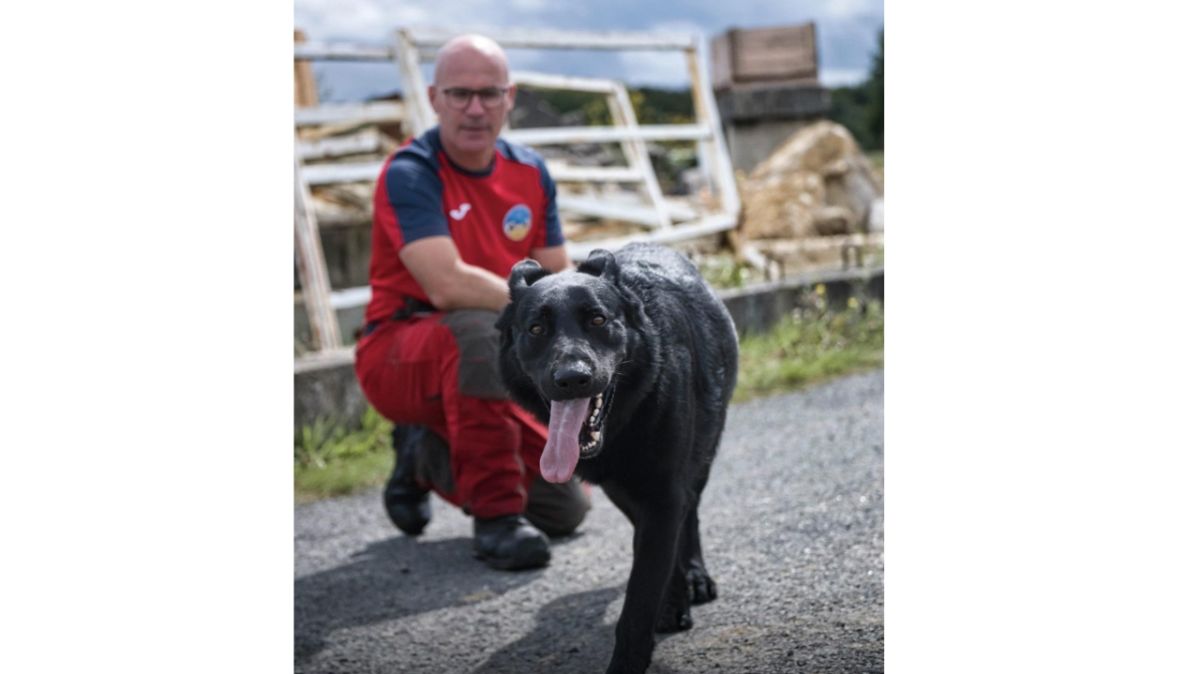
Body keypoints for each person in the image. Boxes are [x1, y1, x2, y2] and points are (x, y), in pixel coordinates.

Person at [354, 34, 590, 571]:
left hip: (488, 353)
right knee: (478, 330)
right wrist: (542, 307)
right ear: (434, 98)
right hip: (400, 351)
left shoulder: (530, 172)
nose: (476, 109)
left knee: (564, 508)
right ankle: (497, 520)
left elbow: (558, 274)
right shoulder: (410, 172)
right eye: (460, 94)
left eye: (489, 94)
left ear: (511, 98)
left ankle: (422, 453)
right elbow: (447, 285)